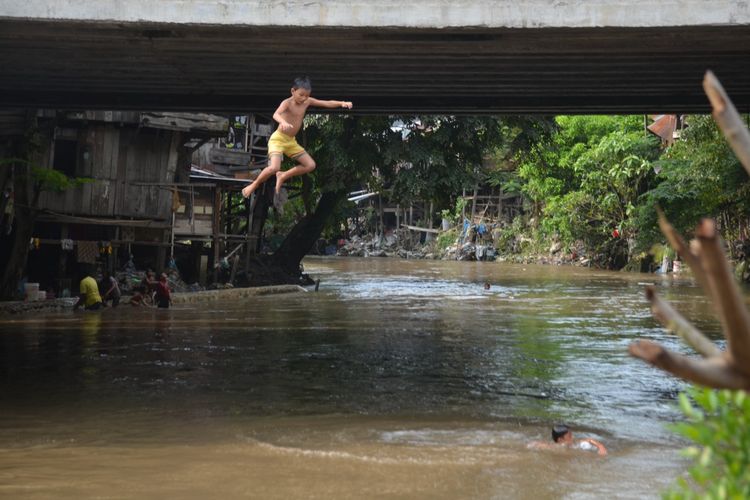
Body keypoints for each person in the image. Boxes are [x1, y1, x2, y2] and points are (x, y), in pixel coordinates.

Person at [241, 76, 352, 199]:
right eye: (301, 95)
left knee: (310, 165)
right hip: (278, 139)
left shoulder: (307, 101)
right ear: (293, 91)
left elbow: (325, 102)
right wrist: (283, 122)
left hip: (291, 142)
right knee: (274, 167)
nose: (304, 98)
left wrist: (342, 103)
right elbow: (276, 114)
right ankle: (254, 184)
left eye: (307, 95)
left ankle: (283, 175)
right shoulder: (287, 103)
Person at [527, 424, 607, 456]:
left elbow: (589, 440)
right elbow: (533, 444)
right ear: (560, 439)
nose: (572, 437)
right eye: (569, 436)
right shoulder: (552, 447)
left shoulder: (573, 444)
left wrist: (600, 446)